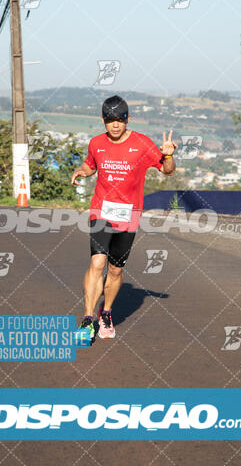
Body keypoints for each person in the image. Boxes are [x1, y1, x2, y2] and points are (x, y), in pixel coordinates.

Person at [71, 95, 177, 341]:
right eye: (110, 120)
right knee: (97, 263)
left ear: (127, 119)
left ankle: (105, 311)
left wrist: (168, 155)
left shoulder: (142, 143)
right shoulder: (96, 143)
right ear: (103, 120)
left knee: (115, 270)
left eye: (120, 119)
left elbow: (168, 171)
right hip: (101, 210)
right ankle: (87, 319)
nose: (115, 125)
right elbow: (90, 165)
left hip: (129, 215)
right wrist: (82, 171)